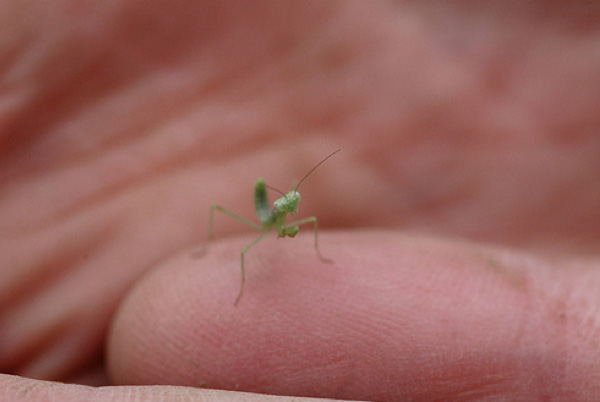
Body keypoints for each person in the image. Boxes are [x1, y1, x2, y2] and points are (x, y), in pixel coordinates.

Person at [1, 2, 599, 401]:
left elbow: (293, 223)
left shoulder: (296, 214)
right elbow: (268, 222)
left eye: (288, 200)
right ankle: (224, 269)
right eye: (285, 199)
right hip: (245, 233)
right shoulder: (267, 214)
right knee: (228, 247)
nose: (291, 204)